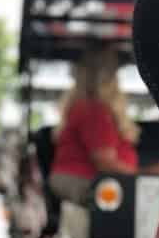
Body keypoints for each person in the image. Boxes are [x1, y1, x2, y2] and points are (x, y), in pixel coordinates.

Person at [49, 47, 140, 204]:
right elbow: (105, 162)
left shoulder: (82, 106)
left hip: (79, 180)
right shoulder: (94, 111)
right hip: (87, 182)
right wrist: (143, 176)